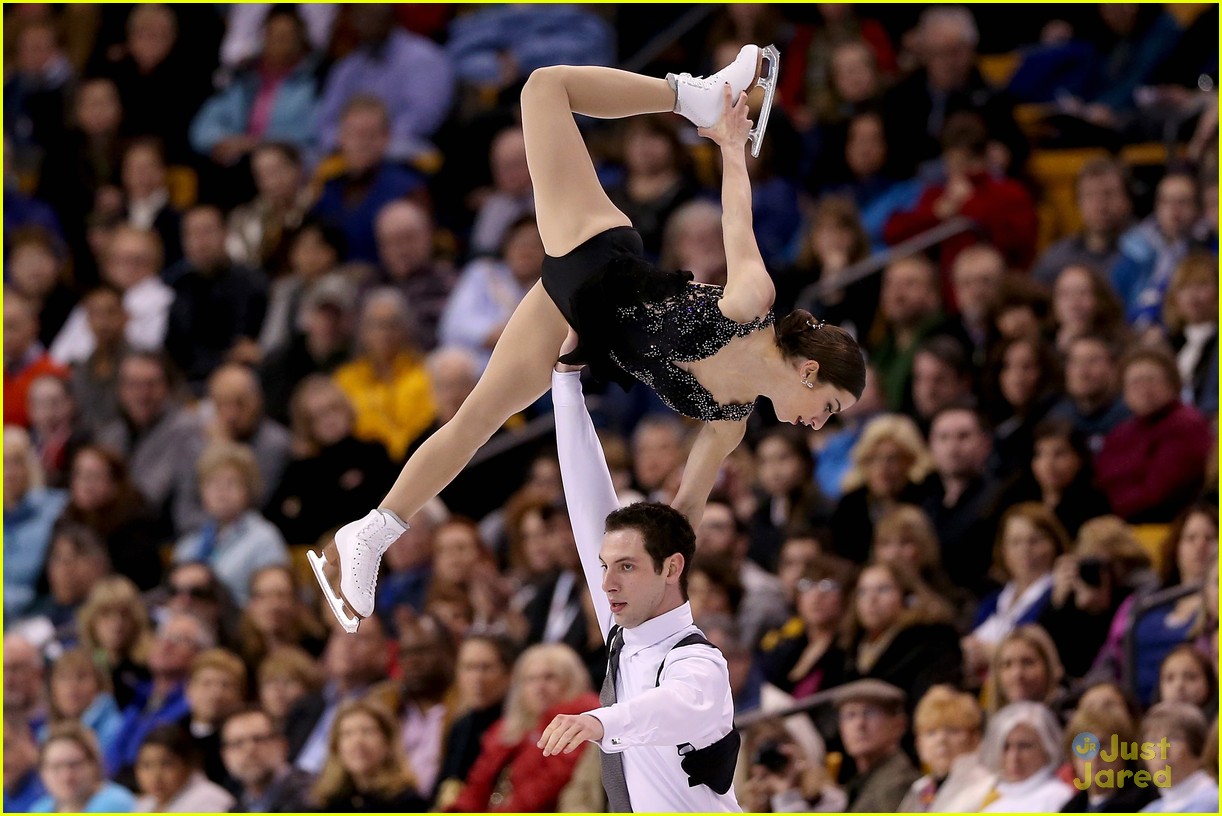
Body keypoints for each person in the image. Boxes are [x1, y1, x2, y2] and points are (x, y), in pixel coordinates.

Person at [312, 47, 865, 633]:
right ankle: (688, 94)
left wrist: (653, 599)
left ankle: (367, 535)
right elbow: (737, 217)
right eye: (829, 406)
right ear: (810, 371)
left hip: (578, 315)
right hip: (597, 254)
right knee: (544, 88)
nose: (820, 422)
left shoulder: (729, 422)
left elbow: (683, 514)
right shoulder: (752, 305)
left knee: (475, 422)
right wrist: (730, 146)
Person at [541, 367, 741, 810]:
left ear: (672, 569)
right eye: (604, 567)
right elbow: (584, 493)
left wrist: (600, 722)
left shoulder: (698, 662)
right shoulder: (622, 625)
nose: (607, 584)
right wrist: (567, 382)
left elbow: (670, 708)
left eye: (626, 567)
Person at [448, 643, 601, 812]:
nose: (539, 688)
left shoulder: (581, 725)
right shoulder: (506, 729)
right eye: (531, 679)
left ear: (572, 681)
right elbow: (477, 787)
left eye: (549, 678)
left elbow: (545, 788)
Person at [219, 706, 315, 812]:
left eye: (259, 739)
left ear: (282, 746)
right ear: (225, 756)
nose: (249, 750)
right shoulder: (234, 809)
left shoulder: (313, 796)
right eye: (238, 743)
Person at [31, 722, 135, 813]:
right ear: (42, 772)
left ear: (94, 765)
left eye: (74, 765)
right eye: (56, 767)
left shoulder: (114, 802)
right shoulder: (41, 808)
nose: (66, 776)